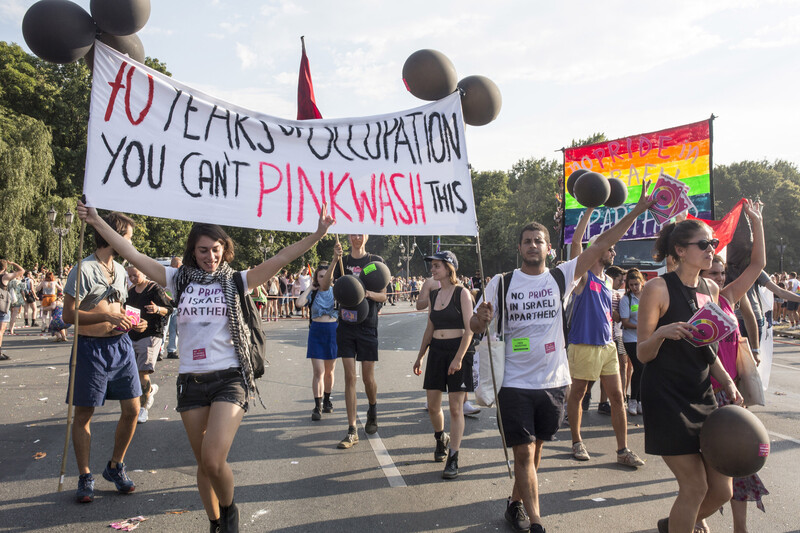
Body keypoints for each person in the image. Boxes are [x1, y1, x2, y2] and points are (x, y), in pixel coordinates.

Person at [78, 200, 335, 532]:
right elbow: (133, 253)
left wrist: (317, 234)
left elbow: (282, 257)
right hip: (191, 381)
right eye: (202, 250)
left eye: (215, 249)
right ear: (193, 251)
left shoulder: (238, 280)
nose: (210, 256)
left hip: (230, 377)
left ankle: (229, 513)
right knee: (203, 464)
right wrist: (97, 221)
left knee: (214, 459)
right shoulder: (178, 279)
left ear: (224, 249)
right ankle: (214, 522)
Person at [470, 183, 654, 533]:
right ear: (520, 248)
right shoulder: (501, 282)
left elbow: (600, 246)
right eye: (526, 241)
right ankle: (537, 522)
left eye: (538, 241)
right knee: (524, 454)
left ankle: (514, 503)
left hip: (553, 382)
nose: (532, 245)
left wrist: (637, 210)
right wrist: (480, 318)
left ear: (547, 247)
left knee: (536, 452)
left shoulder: (561, 276)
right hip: (513, 382)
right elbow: (474, 321)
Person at [637, 199, 764, 533]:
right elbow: (643, 354)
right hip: (666, 398)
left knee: (721, 489)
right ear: (680, 250)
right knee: (694, 487)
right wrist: (663, 332)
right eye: (704, 244)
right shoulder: (657, 288)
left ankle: (673, 525)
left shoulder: (710, 287)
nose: (712, 249)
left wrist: (728, 381)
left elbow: (706, 347)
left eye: (714, 243)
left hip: (702, 393)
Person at [61, 212, 148, 503]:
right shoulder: (83, 269)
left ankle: (115, 466)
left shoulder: (121, 271)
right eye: (128, 239)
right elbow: (67, 315)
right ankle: (85, 476)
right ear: (112, 236)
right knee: (84, 414)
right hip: (90, 348)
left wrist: (134, 322)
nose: (130, 244)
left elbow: (120, 309)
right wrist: (105, 317)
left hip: (121, 347)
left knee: (133, 409)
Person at [566, 209, 644, 467]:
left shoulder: (609, 282)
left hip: (608, 345)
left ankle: (623, 450)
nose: (614, 253)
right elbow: (577, 243)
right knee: (578, 393)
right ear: (598, 250)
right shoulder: (583, 275)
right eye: (610, 249)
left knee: (618, 397)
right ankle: (577, 441)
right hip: (583, 344)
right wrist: (588, 209)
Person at [700, 255, 769, 533]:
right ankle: (696, 515)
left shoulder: (727, 298)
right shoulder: (694, 304)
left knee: (741, 465)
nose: (719, 278)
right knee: (710, 473)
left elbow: (757, 265)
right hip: (705, 397)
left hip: (731, 396)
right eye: (713, 273)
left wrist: (756, 221)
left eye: (722, 273)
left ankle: (740, 528)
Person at [413, 251, 474, 479]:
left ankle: (453, 457)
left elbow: (469, 330)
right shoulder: (434, 294)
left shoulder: (462, 293)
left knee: (456, 408)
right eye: (432, 266)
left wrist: (458, 358)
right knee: (432, 405)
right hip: (437, 352)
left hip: (458, 349)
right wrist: (420, 355)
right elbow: (430, 328)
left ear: (449, 268)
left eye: (436, 265)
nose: (432, 269)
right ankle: (441, 437)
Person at [333, 234, 387, 449]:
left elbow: (383, 296)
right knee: (349, 376)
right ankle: (352, 429)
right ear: (348, 237)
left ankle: (372, 408)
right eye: (352, 233)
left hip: (368, 325)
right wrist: (333, 259)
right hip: (346, 325)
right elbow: (327, 285)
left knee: (367, 377)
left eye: (360, 233)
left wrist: (367, 293)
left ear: (366, 236)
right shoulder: (342, 261)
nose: (356, 237)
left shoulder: (376, 262)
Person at [125, 265, 174, 424]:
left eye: (135, 275)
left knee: (142, 372)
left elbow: (170, 308)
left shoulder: (154, 289)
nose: (132, 278)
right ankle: (150, 391)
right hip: (133, 334)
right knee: (133, 372)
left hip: (152, 334)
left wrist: (157, 308)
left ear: (144, 272)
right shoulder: (131, 292)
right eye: (130, 276)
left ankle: (143, 408)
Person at [297, 256, 341, 421]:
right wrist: (309, 288)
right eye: (321, 276)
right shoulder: (313, 293)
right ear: (316, 279)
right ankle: (318, 405)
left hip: (332, 331)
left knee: (329, 371)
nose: (324, 279)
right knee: (318, 371)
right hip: (316, 331)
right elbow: (299, 304)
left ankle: (328, 400)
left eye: (326, 276)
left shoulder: (336, 290)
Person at [619, 268, 645, 416]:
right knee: (639, 367)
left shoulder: (647, 296)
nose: (634, 287)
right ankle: (633, 400)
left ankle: (640, 400)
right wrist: (641, 326)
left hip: (646, 337)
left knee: (645, 369)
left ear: (642, 283)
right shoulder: (626, 299)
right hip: (631, 338)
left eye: (636, 284)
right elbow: (625, 322)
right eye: (631, 285)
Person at [0, 260, 25, 360]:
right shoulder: (4, 277)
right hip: (2, 306)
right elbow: (22, 271)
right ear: (5, 268)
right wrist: (13, 263)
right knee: (1, 330)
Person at [165, 256, 182, 359]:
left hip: (167, 305)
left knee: (165, 330)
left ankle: (160, 351)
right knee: (173, 330)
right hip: (171, 305)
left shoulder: (165, 273)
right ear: (178, 265)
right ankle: (171, 350)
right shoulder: (176, 274)